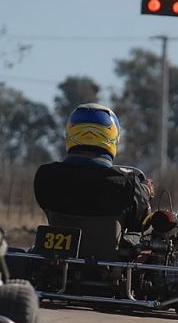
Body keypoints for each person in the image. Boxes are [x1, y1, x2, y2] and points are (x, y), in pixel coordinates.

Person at [33, 103, 152, 251]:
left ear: (70, 133)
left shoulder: (46, 175)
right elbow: (139, 224)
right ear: (113, 137)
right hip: (108, 270)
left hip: (57, 267)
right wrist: (145, 192)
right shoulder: (130, 183)